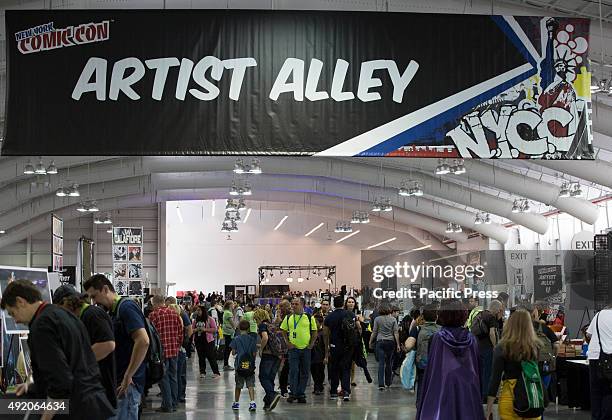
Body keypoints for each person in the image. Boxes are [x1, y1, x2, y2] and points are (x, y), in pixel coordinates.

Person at [2, 280, 114, 420]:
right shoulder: (65, 316)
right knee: (7, 405)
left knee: (6, 409)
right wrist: (34, 386)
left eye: (13, 313)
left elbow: (60, 384)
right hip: (93, 403)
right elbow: (71, 364)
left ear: (20, 302)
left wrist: (46, 417)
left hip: (74, 408)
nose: (16, 321)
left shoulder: (42, 326)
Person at [84, 274, 149, 420]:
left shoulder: (126, 308)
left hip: (128, 384)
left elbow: (143, 341)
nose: (94, 301)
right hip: (120, 381)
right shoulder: (113, 311)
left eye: (95, 296)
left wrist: (128, 375)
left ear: (105, 289)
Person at [417, 299, 484, 420]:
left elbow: (432, 370)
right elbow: (477, 368)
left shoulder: (437, 338)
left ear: (442, 315)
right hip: (468, 388)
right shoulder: (472, 339)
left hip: (442, 388)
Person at [53, 284, 117, 410]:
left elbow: (107, 344)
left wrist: (74, 363)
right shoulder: (82, 318)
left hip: (101, 389)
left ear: (67, 302)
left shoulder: (92, 314)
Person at [486, 309, 542, 420]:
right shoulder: (536, 346)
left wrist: (488, 409)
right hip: (531, 396)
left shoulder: (502, 347)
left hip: (510, 397)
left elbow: (495, 380)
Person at [149, 295, 183, 413]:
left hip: (161, 353)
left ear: (155, 303)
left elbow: (151, 336)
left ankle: (167, 405)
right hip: (174, 351)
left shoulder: (154, 315)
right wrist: (177, 346)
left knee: (163, 379)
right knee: (173, 377)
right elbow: (180, 333)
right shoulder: (175, 314)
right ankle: (173, 403)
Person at [280, 297, 318, 403]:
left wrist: (311, 345)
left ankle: (301, 393)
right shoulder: (288, 318)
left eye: (296, 304)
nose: (294, 306)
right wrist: (288, 343)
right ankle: (293, 393)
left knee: (305, 371)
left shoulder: (309, 317)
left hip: (306, 349)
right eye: (293, 304)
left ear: (302, 305)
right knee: (293, 371)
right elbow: (283, 331)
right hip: (293, 350)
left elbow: (314, 332)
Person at [405, 303, 439, 405]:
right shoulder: (442, 330)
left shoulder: (418, 329)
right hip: (439, 365)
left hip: (423, 364)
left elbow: (408, 345)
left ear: (422, 316)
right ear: (437, 316)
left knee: (422, 387)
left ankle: (421, 409)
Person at [473, 299, 504, 402]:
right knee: (488, 372)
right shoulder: (492, 318)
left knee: (480, 371)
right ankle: (486, 395)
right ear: (499, 310)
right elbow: (492, 333)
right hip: (487, 349)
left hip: (477, 347)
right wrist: (496, 347)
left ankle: (479, 393)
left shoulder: (481, 314)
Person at [586, 305, 612, 419]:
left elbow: (588, 334)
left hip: (595, 356)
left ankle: (596, 416)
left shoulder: (598, 315)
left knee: (596, 391)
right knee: (608, 391)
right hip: (609, 357)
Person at [166, 296, 193, 403]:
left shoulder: (181, 314)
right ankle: (176, 395)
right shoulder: (178, 315)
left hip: (179, 348)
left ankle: (180, 395)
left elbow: (189, 330)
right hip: (176, 347)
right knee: (176, 373)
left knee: (179, 373)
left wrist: (184, 344)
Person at [256, 308, 282, 411]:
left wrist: (261, 349)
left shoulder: (263, 325)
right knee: (270, 378)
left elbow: (265, 338)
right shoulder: (272, 325)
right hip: (277, 355)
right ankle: (267, 403)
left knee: (263, 377)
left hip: (268, 355)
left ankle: (272, 394)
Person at [369, 304, 400, 391]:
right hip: (390, 342)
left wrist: (370, 341)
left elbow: (374, 332)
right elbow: (396, 333)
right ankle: (388, 382)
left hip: (380, 342)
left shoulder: (377, 319)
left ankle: (381, 384)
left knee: (381, 363)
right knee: (389, 362)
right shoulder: (393, 319)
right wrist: (397, 344)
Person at [231, 320, 258, 411]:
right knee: (250, 384)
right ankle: (252, 402)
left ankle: (236, 403)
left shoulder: (236, 339)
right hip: (250, 365)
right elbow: (254, 353)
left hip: (239, 365)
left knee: (238, 384)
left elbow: (233, 352)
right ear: (249, 328)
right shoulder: (252, 339)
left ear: (239, 328)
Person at [193, 305, 221, 378]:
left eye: (199, 310)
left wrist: (205, 329)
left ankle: (216, 373)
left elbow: (215, 329)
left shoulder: (210, 319)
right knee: (201, 357)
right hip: (198, 340)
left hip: (208, 341)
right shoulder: (195, 320)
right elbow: (192, 329)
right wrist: (195, 330)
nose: (197, 312)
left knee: (211, 357)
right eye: (197, 310)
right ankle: (202, 372)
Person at [344, 296, 364, 388]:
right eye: (349, 302)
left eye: (352, 302)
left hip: (354, 340)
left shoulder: (358, 313)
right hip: (344, 340)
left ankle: (352, 379)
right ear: (346, 303)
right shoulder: (343, 313)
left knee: (353, 362)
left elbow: (361, 324)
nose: (351, 303)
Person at [311, 311, 326, 395]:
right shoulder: (312, 332)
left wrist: (326, 355)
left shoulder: (322, 333)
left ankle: (318, 386)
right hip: (313, 355)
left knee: (320, 371)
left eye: (315, 322)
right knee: (314, 371)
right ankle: (317, 386)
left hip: (320, 355)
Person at [222, 300, 237, 370]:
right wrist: (235, 328)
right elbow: (232, 323)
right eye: (233, 304)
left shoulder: (225, 312)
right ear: (230, 305)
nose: (234, 305)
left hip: (226, 332)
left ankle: (226, 364)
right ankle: (226, 365)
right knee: (228, 349)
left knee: (227, 348)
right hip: (229, 333)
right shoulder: (228, 313)